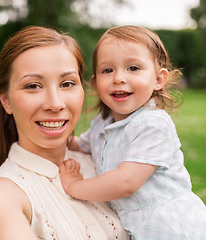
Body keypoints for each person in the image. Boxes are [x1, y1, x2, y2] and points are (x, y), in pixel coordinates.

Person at [0, 26, 128, 240]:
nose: (55, 104)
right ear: (5, 100)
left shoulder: (106, 163)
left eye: (67, 83)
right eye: (33, 86)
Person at [59, 25, 206, 240]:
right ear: (95, 83)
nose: (118, 78)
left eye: (133, 68)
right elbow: (82, 144)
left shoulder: (152, 124)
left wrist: (75, 186)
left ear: (158, 79)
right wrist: (56, 138)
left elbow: (125, 182)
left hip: (176, 229)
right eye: (107, 70)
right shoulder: (103, 122)